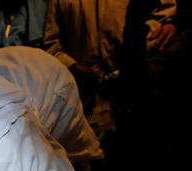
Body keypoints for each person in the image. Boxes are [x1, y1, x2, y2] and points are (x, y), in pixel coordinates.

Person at [43, 0, 176, 136]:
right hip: (85, 106)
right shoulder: (60, 2)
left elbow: (165, 16)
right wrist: (72, 65)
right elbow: (51, 45)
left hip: (136, 98)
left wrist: (144, 43)